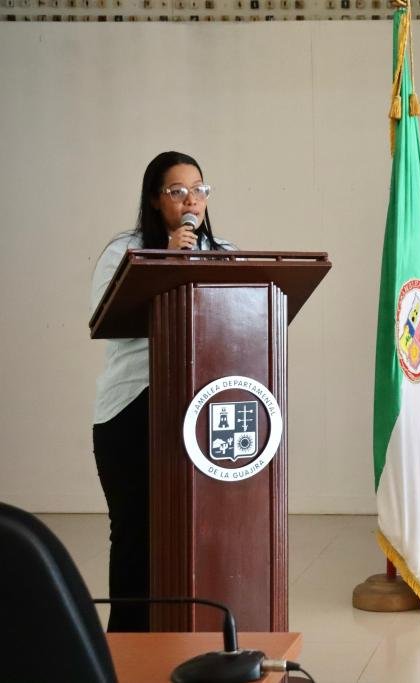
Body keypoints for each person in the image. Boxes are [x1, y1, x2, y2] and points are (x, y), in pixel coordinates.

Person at [90, 151, 235, 631]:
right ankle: (128, 646)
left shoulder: (225, 253)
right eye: (177, 192)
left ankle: (191, 637)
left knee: (201, 532)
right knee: (136, 533)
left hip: (204, 408)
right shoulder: (126, 251)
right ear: (155, 201)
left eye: (199, 189)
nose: (191, 199)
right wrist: (167, 260)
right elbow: (107, 320)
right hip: (133, 409)